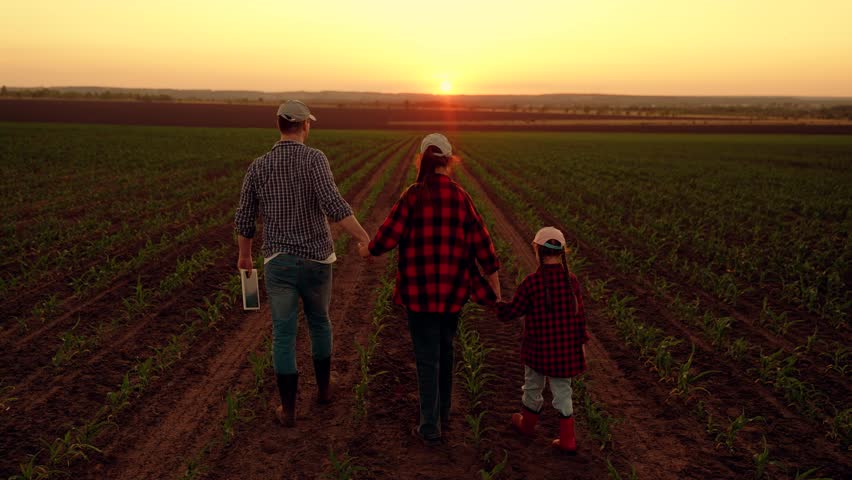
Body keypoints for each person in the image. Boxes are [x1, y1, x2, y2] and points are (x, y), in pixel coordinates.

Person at [234, 100, 371, 427]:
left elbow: (244, 217)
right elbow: (334, 205)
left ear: (279, 125)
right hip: (316, 260)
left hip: (278, 261)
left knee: (283, 333)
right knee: (320, 322)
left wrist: (244, 255)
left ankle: (289, 409)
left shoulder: (259, 166)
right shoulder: (315, 159)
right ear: (305, 126)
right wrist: (365, 237)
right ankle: (324, 391)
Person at [362, 133, 501, 446]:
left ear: (422, 159)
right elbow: (484, 246)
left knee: (427, 358)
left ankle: (429, 426)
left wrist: (366, 250)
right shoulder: (461, 196)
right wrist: (495, 285)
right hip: (453, 293)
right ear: (449, 161)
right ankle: (445, 413)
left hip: (419, 293)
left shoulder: (413, 195)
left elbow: (386, 239)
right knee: (446, 350)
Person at [496, 227, 589, 454]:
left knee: (533, 387)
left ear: (536, 250)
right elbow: (580, 317)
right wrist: (582, 343)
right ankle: (568, 440)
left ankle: (527, 426)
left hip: (538, 350)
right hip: (565, 351)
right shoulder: (572, 282)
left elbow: (511, 313)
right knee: (563, 391)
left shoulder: (532, 283)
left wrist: (495, 302)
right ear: (562, 252)